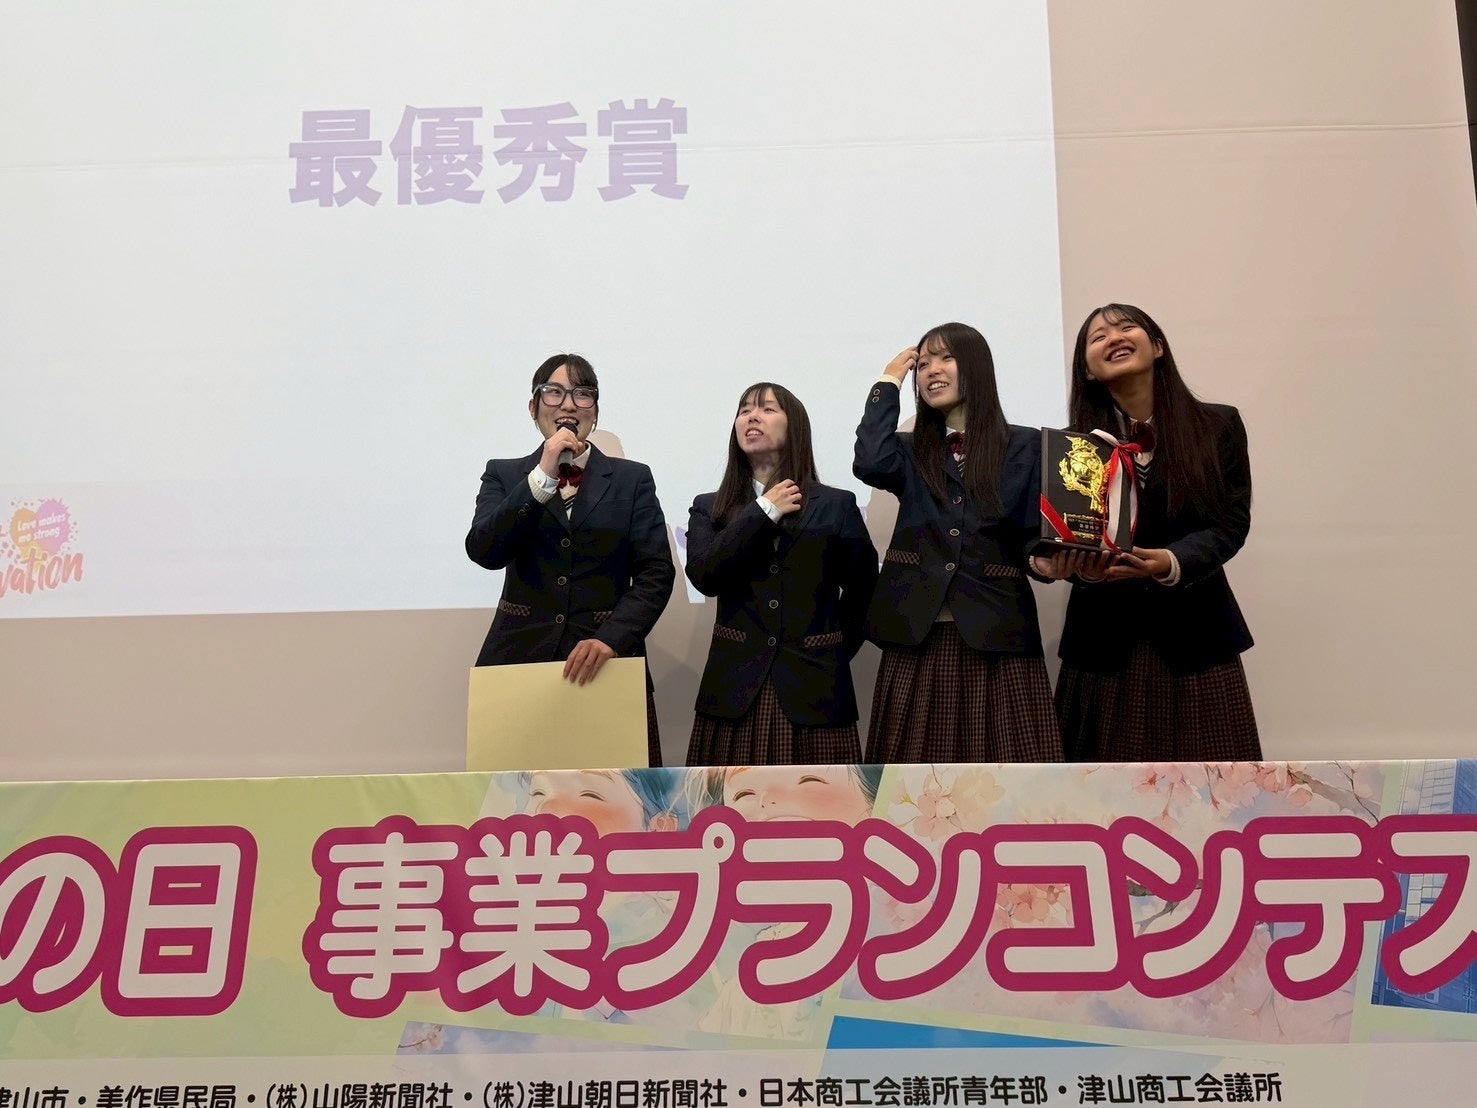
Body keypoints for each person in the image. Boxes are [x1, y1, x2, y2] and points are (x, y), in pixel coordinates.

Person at [1041, 303, 1258, 762]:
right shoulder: (1070, 446)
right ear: (1088, 369)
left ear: (1157, 346)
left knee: (1214, 793)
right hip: (1102, 645)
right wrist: (1066, 567)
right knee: (1097, 796)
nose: (1114, 338)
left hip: (1197, 638)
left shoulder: (1217, 425)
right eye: (1098, 336)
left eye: (1126, 327)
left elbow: (1230, 523)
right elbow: (1047, 534)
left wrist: (1171, 561)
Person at [854, 323, 1061, 763]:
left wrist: (1040, 561)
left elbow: (1030, 534)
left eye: (946, 358)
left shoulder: (1028, 444)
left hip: (997, 630)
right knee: (911, 781)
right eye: (923, 364)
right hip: (917, 632)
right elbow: (869, 461)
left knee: (1011, 777)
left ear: (976, 366)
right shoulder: (909, 449)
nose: (932, 370)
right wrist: (888, 381)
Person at [466, 354, 675, 765]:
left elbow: (656, 572)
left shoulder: (632, 479)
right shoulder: (503, 475)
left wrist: (612, 638)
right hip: (519, 661)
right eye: (554, 392)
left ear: (594, 411)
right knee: (517, 796)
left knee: (618, 794)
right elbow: (485, 551)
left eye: (582, 394)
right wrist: (542, 476)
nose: (567, 404)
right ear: (533, 407)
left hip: (607, 667)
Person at [685, 383, 878, 766]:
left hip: (816, 688)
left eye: (767, 409)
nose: (752, 417)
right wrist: (762, 512)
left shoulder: (836, 505)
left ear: (795, 427)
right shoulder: (710, 507)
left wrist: (832, 649)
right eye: (744, 410)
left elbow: (865, 589)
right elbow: (706, 576)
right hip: (735, 688)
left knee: (822, 802)